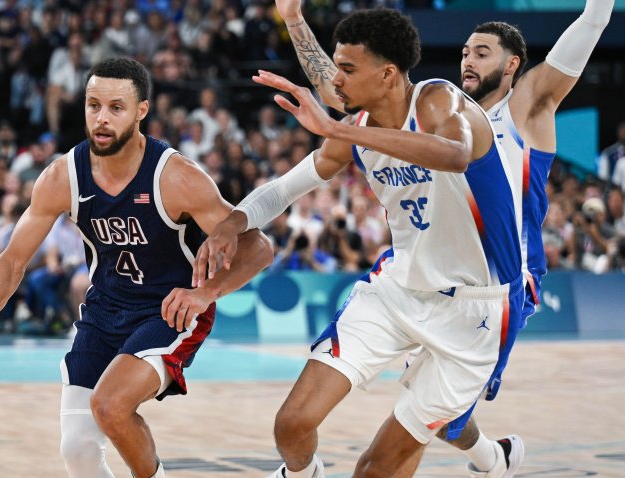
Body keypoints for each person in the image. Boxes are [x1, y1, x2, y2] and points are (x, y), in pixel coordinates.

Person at [275, 0, 614, 474]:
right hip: (421, 274)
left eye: (482, 52)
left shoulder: (526, 107)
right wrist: (294, 19)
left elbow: (594, 21)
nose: (468, 60)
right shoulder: (437, 108)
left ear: (513, 64)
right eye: (465, 52)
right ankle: (496, 458)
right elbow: (345, 92)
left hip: (499, 276)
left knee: (447, 419)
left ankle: (492, 457)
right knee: (440, 419)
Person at [196, 9, 523, 477]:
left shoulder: (436, 98)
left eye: (348, 70)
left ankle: (494, 459)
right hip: (397, 292)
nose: (337, 80)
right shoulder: (357, 130)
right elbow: (286, 188)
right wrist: (234, 221)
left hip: (474, 312)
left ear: (388, 74)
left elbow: (454, 155)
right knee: (291, 424)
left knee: (374, 470)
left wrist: (338, 128)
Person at [0, 57, 273, 478]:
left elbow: (258, 247)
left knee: (110, 406)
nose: (101, 119)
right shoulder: (62, 177)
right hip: (105, 309)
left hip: (170, 310)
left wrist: (205, 294)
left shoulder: (176, 177)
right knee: (76, 448)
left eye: (115, 107)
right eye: (93, 105)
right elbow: (14, 259)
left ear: (141, 111)